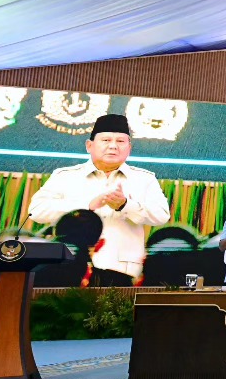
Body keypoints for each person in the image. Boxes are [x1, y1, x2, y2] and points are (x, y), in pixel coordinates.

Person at [26, 113, 171, 281]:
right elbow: (36, 211)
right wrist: (87, 206)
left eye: (120, 141)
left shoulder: (144, 179)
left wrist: (125, 205)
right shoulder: (65, 176)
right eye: (106, 140)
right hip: (70, 268)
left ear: (129, 148)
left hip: (123, 270)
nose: (113, 146)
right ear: (89, 145)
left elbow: (161, 215)